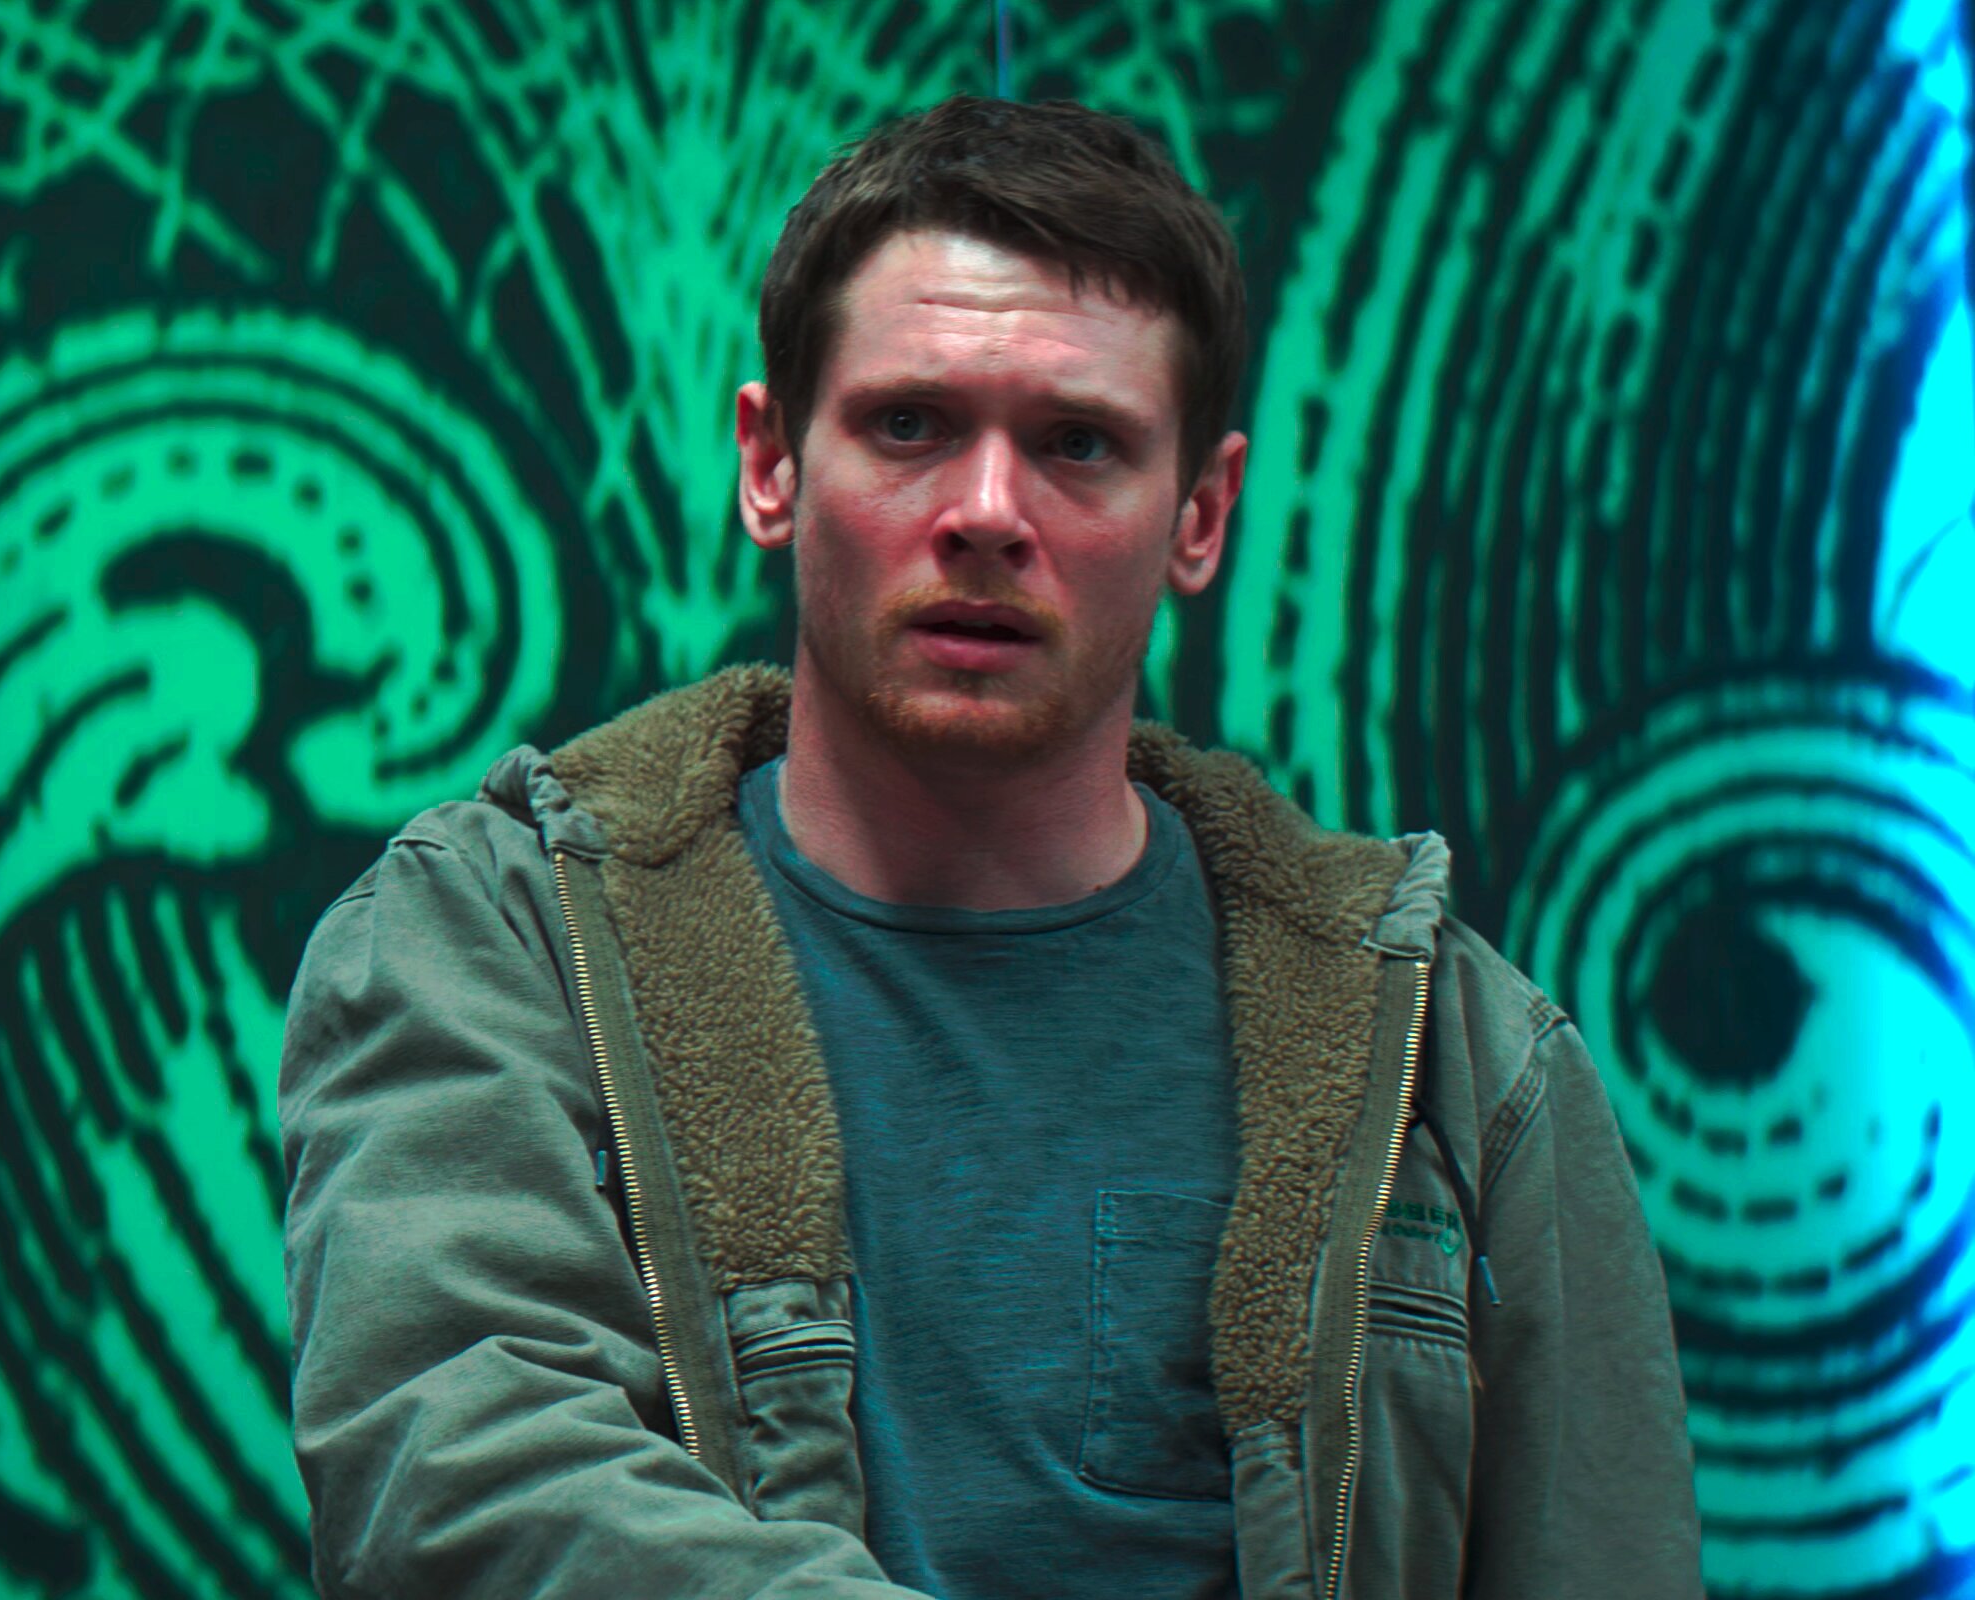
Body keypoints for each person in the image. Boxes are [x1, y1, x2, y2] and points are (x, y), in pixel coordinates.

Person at [276, 96, 1702, 1599]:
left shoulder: (1454, 1057)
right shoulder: (501, 946)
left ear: (1201, 514)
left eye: (1079, 444)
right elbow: (466, 1479)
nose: (986, 512)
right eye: (910, 425)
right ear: (770, 464)